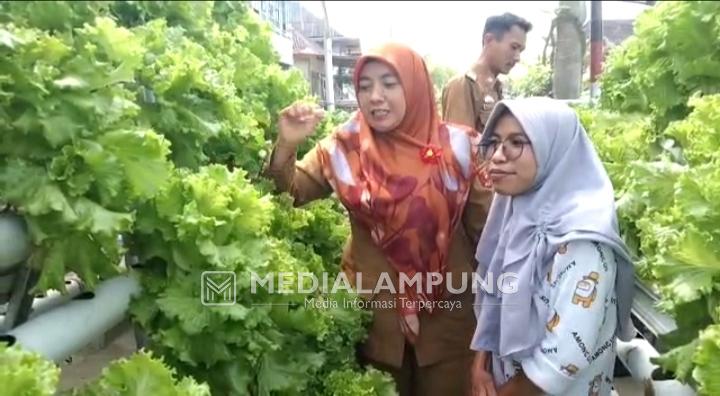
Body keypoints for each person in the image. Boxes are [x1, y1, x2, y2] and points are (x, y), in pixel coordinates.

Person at [263, 43, 493, 395]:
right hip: (376, 321)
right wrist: (285, 146)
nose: (375, 96)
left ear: (414, 86)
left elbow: (488, 235)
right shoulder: (344, 148)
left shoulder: (459, 149)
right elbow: (290, 194)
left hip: (448, 322)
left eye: (389, 83)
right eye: (365, 86)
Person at [468, 97, 635, 396]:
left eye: (516, 142)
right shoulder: (512, 210)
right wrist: (480, 363)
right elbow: (493, 291)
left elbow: (558, 363)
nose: (496, 156)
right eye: (493, 142)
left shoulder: (582, 242)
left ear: (553, 148)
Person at [441, 13, 532, 132]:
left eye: (521, 50)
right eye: (514, 47)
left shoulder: (497, 88)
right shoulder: (462, 86)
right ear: (488, 40)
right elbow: (459, 146)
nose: (517, 57)